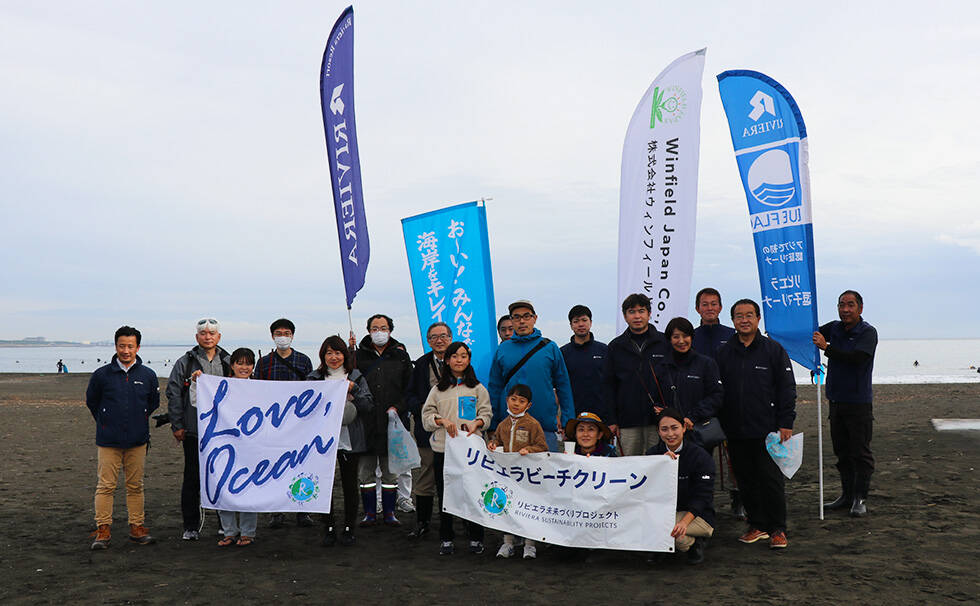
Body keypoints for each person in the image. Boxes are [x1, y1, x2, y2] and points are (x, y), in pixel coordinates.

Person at [716, 299, 796, 549]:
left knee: (770, 479)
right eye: (739, 316)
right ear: (733, 321)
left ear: (758, 319)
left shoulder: (773, 350)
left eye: (749, 315)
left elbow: (787, 388)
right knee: (745, 480)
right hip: (735, 429)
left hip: (767, 429)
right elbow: (717, 390)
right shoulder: (724, 352)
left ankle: (778, 529)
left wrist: (786, 422)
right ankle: (757, 525)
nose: (744, 320)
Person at [86, 326, 159, 550]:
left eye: (130, 346)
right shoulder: (102, 375)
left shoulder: (147, 375)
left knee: (135, 486)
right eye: (121, 346)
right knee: (106, 486)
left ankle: (137, 527)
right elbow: (92, 401)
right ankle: (103, 529)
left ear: (138, 347)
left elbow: (152, 403)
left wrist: (138, 420)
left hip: (137, 440)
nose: (126, 351)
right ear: (116, 346)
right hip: (109, 440)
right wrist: (106, 421)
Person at [421, 341, 492, 555]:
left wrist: (477, 423)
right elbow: (426, 417)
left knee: (473, 492)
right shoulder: (437, 390)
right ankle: (446, 538)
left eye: (463, 356)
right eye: (454, 356)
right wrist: (441, 420)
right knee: (445, 494)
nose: (459, 360)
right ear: (447, 360)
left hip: (471, 452)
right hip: (444, 450)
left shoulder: (478, 388)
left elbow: (487, 414)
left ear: (469, 360)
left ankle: (476, 537)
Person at [813, 290, 878, 517]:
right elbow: (810, 332)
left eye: (850, 305)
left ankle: (860, 498)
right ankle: (847, 496)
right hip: (836, 400)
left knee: (860, 452)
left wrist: (826, 348)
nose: (845, 309)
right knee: (842, 452)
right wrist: (781, 330)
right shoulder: (835, 328)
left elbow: (857, 359)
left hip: (858, 403)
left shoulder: (868, 332)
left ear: (860, 308)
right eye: (842, 305)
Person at [166, 318, 231, 540]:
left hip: (223, 431)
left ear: (219, 337)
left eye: (212, 333)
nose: (207, 336)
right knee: (192, 478)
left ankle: (225, 523)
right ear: (197, 337)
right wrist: (177, 425)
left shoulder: (228, 361)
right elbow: (174, 393)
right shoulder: (185, 362)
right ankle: (191, 526)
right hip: (194, 430)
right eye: (203, 333)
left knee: (222, 477)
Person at [307, 335, 374, 546]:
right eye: (329, 353)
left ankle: (348, 527)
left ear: (345, 355)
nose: (334, 357)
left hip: (349, 440)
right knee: (323, 485)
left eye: (337, 353)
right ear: (322, 356)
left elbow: (368, 405)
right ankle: (328, 527)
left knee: (349, 484)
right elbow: (305, 409)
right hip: (321, 442)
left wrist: (354, 390)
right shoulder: (314, 378)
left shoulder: (355, 376)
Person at [488, 300, 574, 452]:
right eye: (516, 317)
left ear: (535, 318)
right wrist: (493, 424)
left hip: (544, 427)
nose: (522, 321)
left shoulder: (550, 347)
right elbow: (495, 388)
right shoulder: (503, 350)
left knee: (546, 467)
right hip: (508, 428)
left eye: (526, 316)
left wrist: (568, 422)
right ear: (512, 321)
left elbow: (563, 387)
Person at [254, 318, 315, 529]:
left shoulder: (303, 360)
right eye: (279, 333)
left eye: (286, 333)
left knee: (300, 465)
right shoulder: (264, 362)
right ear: (272, 336)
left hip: (298, 423)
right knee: (274, 466)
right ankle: (276, 511)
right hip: (273, 423)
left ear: (293, 336)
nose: (283, 337)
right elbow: (255, 391)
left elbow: (312, 389)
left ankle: (302, 510)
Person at [355, 313, 413, 527]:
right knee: (366, 472)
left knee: (391, 473)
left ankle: (390, 513)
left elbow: (409, 388)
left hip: (393, 423)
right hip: (366, 423)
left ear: (390, 330)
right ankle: (370, 513)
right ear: (368, 331)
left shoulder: (400, 356)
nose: (379, 332)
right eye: (375, 328)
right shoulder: (358, 356)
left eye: (383, 328)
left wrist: (398, 407)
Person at [602, 293, 670, 455]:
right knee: (628, 465)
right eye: (632, 312)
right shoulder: (615, 346)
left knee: (657, 463)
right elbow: (608, 386)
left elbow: (672, 380)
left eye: (641, 311)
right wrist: (611, 420)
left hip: (659, 421)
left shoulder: (664, 342)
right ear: (625, 316)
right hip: (627, 422)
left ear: (649, 314)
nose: (637, 316)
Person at [646, 408, 715, 564]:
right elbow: (645, 490)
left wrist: (684, 522)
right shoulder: (652, 454)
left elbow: (703, 496)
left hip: (697, 515)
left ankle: (694, 544)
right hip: (666, 511)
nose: (670, 434)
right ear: (658, 431)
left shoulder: (700, 456)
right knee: (642, 523)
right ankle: (673, 544)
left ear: (684, 428)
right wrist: (659, 465)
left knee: (667, 530)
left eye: (674, 428)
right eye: (664, 429)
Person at [403, 322, 452, 540]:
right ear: (428, 341)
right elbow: (410, 395)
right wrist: (422, 409)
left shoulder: (460, 361)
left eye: (443, 336)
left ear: (450, 338)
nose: (439, 340)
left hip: (456, 432)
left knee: (456, 476)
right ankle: (422, 521)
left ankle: (456, 522)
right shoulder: (422, 364)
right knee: (426, 474)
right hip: (428, 431)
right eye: (434, 337)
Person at [487, 384, 548, 559]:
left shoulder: (533, 424)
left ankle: (529, 544)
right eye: (513, 399)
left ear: (528, 405)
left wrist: (529, 449)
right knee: (507, 507)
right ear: (507, 400)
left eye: (521, 401)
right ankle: (508, 542)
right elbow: (497, 441)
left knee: (528, 508)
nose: (516, 404)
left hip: (527, 476)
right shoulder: (503, 424)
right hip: (508, 475)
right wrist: (493, 445)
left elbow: (542, 446)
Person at [217, 348, 259, 547]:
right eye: (240, 363)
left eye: (248, 363)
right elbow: (197, 401)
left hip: (251, 445)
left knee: (249, 486)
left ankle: (248, 532)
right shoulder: (220, 386)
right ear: (232, 365)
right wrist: (197, 383)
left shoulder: (261, 388)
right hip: (224, 444)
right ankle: (229, 531)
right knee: (223, 486)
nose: (244, 367)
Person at [658, 317, 723, 443]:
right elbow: (657, 398)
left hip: (699, 431)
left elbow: (716, 396)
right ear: (669, 339)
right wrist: (661, 410)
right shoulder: (662, 366)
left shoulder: (706, 364)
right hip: (670, 435)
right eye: (676, 337)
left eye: (685, 336)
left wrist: (692, 417)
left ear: (692, 337)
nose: (681, 341)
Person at [560, 304, 608, 417]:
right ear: (571, 325)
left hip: (601, 415)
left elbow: (611, 383)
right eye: (576, 321)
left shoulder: (604, 350)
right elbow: (558, 386)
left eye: (584, 320)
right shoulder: (562, 353)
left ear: (590, 322)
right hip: (573, 415)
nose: (581, 324)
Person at [692, 287, 736, 359]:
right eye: (705, 304)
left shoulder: (733, 335)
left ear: (720, 308)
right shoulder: (691, 337)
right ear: (697, 309)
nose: (710, 308)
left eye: (713, 304)